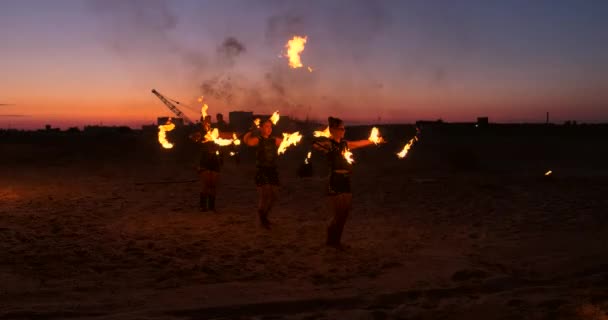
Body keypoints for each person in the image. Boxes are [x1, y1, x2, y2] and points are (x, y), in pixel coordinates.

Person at [313, 117, 384, 249]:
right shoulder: (328, 144)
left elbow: (359, 143)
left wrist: (374, 140)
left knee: (344, 215)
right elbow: (315, 144)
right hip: (335, 180)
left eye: (344, 128)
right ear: (333, 130)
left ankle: (337, 242)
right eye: (341, 128)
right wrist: (325, 141)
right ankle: (330, 240)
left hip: (346, 180)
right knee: (338, 215)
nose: (343, 130)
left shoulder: (345, 144)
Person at [243, 119, 283, 229]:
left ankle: (264, 217)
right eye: (266, 126)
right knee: (264, 196)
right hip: (262, 170)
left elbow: (288, 141)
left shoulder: (275, 140)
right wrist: (251, 130)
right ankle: (262, 221)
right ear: (261, 128)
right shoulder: (258, 140)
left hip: (272, 170)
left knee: (274, 196)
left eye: (270, 126)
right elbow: (247, 141)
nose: (269, 129)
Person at [191, 118, 221, 212]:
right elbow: (192, 139)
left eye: (208, 121)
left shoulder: (214, 132)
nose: (207, 123)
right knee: (205, 185)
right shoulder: (200, 133)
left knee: (213, 185)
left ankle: (212, 207)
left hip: (214, 162)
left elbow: (220, 145)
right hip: (204, 162)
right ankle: (203, 206)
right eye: (205, 121)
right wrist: (197, 137)